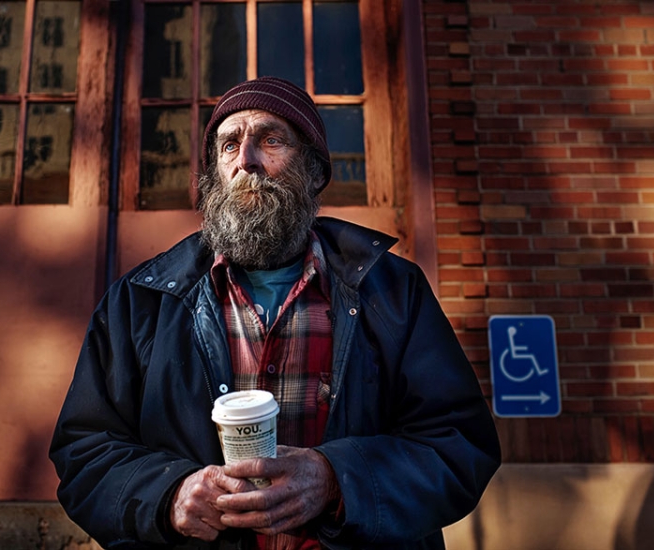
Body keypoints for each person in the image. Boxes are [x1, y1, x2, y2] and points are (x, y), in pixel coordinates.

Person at [50, 76, 500, 550]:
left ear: (313, 171)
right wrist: (168, 494)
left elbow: (458, 446)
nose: (247, 161)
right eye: (229, 145)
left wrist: (335, 480)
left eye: (270, 140)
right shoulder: (141, 301)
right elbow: (84, 452)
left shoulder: (392, 293)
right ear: (212, 178)